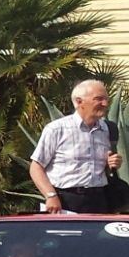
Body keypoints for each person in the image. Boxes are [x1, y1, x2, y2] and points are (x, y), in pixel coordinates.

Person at [29, 79, 119, 215]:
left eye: (106, 99)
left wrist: (112, 163)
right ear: (79, 101)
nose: (105, 104)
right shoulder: (57, 129)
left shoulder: (108, 129)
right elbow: (36, 167)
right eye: (98, 99)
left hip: (99, 200)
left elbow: (104, 169)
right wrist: (51, 196)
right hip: (65, 201)